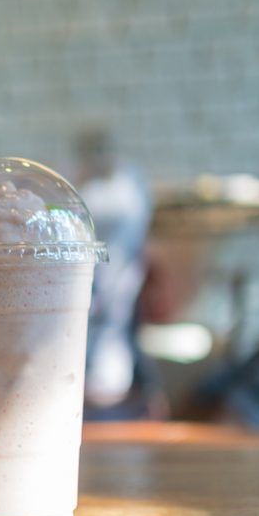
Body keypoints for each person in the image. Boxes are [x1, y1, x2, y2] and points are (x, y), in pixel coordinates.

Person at [72, 128, 163, 418]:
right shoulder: (123, 185)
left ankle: (105, 380)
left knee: (111, 314)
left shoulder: (117, 185)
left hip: (114, 268)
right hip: (103, 272)